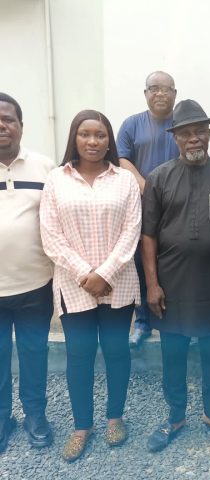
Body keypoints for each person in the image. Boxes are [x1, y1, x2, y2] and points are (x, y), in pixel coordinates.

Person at [142, 100, 210, 451]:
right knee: (173, 357)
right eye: (186, 133)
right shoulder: (158, 178)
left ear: (208, 133)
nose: (194, 138)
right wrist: (152, 284)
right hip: (171, 286)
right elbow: (148, 235)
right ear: (175, 137)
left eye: (200, 131)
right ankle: (175, 417)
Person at [40, 110, 141, 462]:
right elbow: (51, 235)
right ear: (74, 137)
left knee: (116, 351)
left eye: (100, 135)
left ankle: (115, 418)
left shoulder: (125, 180)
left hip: (118, 281)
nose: (93, 141)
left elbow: (132, 230)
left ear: (109, 140)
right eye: (85, 134)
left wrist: (106, 273)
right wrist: (87, 274)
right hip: (74, 283)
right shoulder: (56, 179)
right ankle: (82, 426)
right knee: (79, 355)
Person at [0, 93, 55, 453]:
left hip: (35, 285)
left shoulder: (44, 167)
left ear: (21, 125)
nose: (2, 126)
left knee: (35, 355)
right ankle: (2, 419)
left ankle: (35, 416)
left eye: (8, 119)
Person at [117, 71, 179, 348]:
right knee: (142, 263)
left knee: (174, 263)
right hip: (141, 205)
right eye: (154, 88)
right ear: (145, 93)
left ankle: (175, 317)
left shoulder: (181, 123)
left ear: (175, 94)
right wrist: (147, 187)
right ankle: (142, 321)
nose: (160, 93)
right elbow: (121, 159)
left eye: (166, 89)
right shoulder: (132, 125)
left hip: (176, 206)